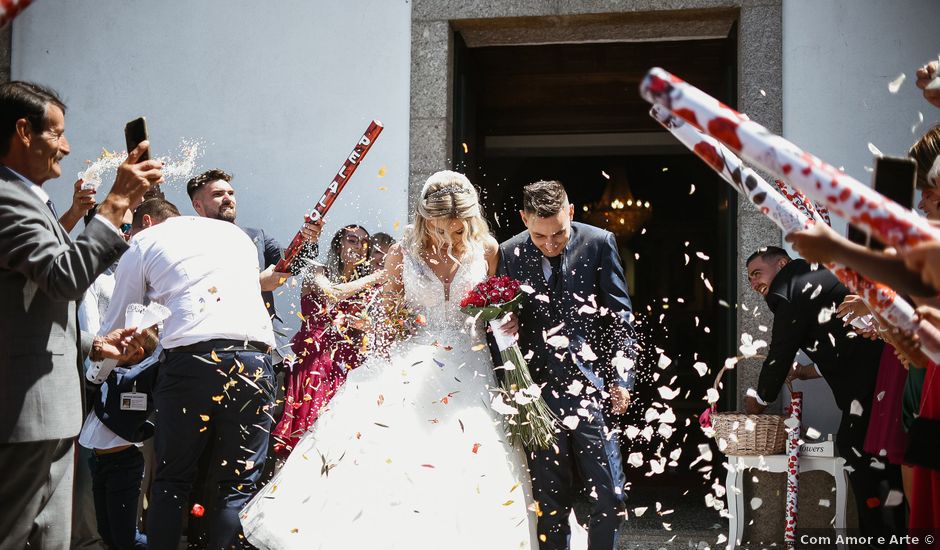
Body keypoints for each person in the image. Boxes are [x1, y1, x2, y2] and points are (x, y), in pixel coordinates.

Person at [240, 170, 536, 549]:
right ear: (425, 218)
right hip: (412, 361)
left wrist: (504, 320)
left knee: (469, 461)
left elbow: (491, 308)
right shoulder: (402, 253)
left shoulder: (489, 249)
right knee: (394, 456)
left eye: (459, 230)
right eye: (442, 228)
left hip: (470, 364)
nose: (450, 238)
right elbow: (392, 317)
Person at [0, 80, 162, 549]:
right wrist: (115, 205)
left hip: (50, 411)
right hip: (22, 412)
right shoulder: (8, 198)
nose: (67, 147)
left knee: (51, 538)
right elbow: (63, 277)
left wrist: (96, 344)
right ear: (23, 131)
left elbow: (30, 308)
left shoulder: (30, 197)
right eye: (57, 134)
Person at [99, 199, 276, 550]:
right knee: (238, 484)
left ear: (144, 222)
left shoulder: (144, 241)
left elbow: (116, 326)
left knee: (172, 480)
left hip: (194, 362)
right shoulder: (234, 235)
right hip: (255, 359)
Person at [497, 180, 634, 550]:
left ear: (570, 212)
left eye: (558, 232)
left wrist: (622, 378)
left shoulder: (599, 242)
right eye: (540, 236)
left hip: (588, 388)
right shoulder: (508, 252)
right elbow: (496, 318)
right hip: (534, 393)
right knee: (549, 501)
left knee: (611, 493)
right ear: (524, 219)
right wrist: (505, 324)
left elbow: (620, 317)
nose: (551, 243)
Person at [743, 246, 904, 541]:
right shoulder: (815, 277)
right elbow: (843, 343)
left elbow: (780, 353)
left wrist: (760, 399)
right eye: (749, 279)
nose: (753, 285)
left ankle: (886, 538)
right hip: (882, 376)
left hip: (876, 382)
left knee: (860, 450)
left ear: (781, 264)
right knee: (878, 456)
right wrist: (807, 371)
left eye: (757, 274)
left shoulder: (788, 286)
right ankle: (892, 534)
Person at [272, 224, 378, 456]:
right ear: (338, 245)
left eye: (363, 242)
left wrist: (364, 323)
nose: (359, 246)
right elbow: (334, 293)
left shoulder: (369, 285)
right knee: (313, 417)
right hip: (315, 355)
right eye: (352, 240)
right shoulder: (317, 271)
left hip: (349, 357)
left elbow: (375, 321)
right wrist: (379, 275)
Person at [80, 328, 160, 550]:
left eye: (127, 346)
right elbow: (91, 383)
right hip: (99, 463)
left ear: (138, 353)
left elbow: (154, 362)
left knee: (127, 539)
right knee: (107, 534)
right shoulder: (108, 373)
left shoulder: (141, 377)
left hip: (123, 466)